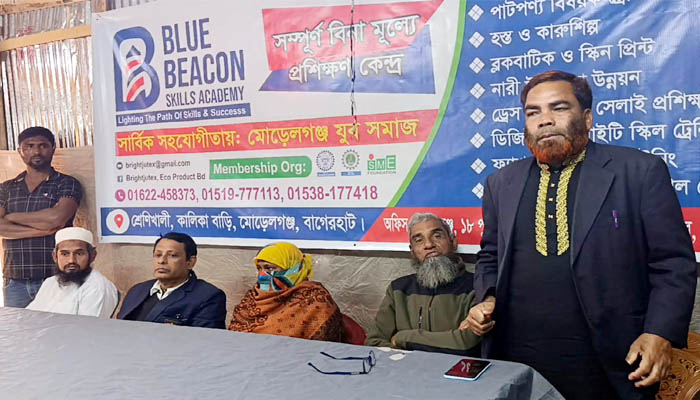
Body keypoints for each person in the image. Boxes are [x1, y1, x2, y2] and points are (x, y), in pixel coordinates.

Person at [460, 70, 697, 400]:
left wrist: (659, 332)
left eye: (558, 108)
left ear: (587, 118)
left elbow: (673, 264)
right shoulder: (501, 183)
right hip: (518, 360)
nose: (545, 120)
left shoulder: (638, 172)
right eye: (533, 112)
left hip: (609, 361)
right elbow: (490, 255)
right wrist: (487, 299)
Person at [365, 213, 480, 355]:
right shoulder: (398, 290)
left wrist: (403, 338)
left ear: (453, 242)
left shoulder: (476, 287)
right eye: (419, 240)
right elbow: (374, 343)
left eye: (437, 236)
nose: (429, 245)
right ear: (412, 251)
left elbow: (467, 344)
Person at [0, 127, 83, 308]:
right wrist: (40, 231)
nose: (36, 151)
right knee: (17, 326)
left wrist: (12, 216)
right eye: (29, 146)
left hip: (56, 277)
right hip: (15, 280)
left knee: (58, 325)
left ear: (53, 149)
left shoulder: (67, 183)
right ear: (20, 151)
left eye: (43, 146)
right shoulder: (6, 188)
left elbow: (56, 219)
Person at [229, 242, 343, 341]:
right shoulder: (252, 298)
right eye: (259, 268)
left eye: (270, 268)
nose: (262, 275)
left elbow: (323, 347)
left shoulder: (315, 301)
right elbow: (233, 338)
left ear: (294, 269)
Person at [117, 232, 226, 328]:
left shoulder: (208, 297)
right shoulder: (137, 290)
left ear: (190, 262)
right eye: (158, 255)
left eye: (172, 255)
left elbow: (204, 340)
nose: (162, 261)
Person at [26, 227, 118, 317]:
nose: (71, 260)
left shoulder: (97, 287)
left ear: (92, 256)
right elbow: (29, 316)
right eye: (65, 254)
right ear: (55, 257)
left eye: (79, 254)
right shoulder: (50, 282)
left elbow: (89, 326)